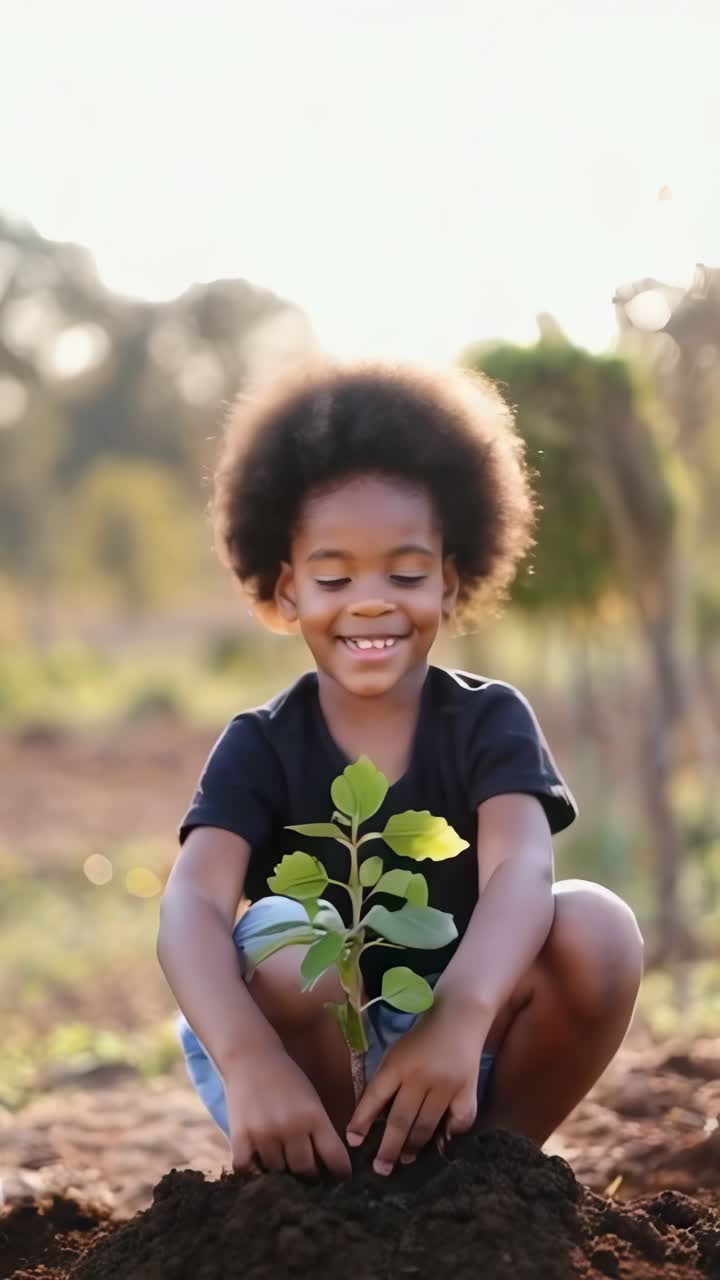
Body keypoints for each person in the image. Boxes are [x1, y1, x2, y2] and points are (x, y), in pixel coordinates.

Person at [157, 361, 643, 1182]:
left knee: (597, 927)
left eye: (406, 574)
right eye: (335, 576)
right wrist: (247, 1060)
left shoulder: (489, 722)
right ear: (287, 591)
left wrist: (458, 1018)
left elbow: (522, 866)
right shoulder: (262, 744)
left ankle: (492, 1179)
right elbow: (191, 902)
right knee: (283, 932)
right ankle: (337, 1189)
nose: (372, 601)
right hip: (302, 1061)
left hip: (466, 1037)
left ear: (450, 582)